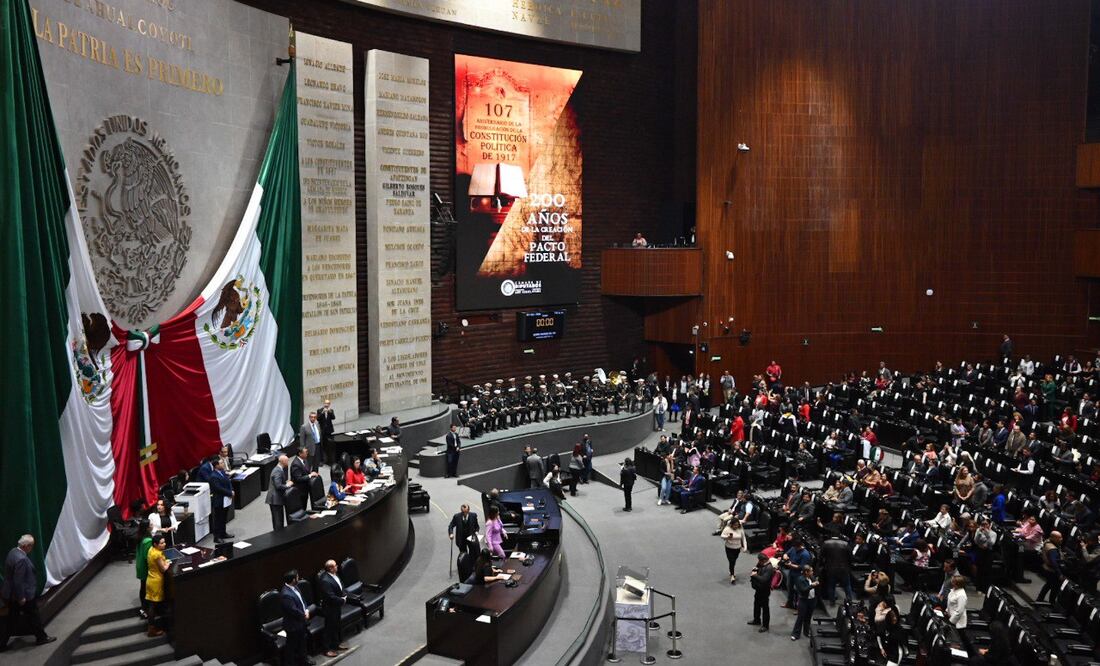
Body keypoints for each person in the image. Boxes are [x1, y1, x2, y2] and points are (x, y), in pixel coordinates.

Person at [0, 535, 55, 652]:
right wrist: (21, 597)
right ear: (26, 546)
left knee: (11, 620)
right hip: (22, 596)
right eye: (31, 546)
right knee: (34, 616)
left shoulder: (13, 552)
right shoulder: (22, 559)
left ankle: (1, 643)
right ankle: (42, 637)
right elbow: (18, 581)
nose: (31, 548)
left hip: (11, 594)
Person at [318, 559, 350, 657]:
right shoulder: (325, 580)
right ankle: (326, 649)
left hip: (337, 606)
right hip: (330, 608)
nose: (337, 566)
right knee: (329, 629)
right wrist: (342, 600)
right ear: (330, 568)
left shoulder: (335, 575)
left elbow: (341, 586)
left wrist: (344, 595)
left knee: (336, 626)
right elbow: (330, 596)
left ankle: (335, 645)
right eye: (335, 565)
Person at [144, 533, 171, 637]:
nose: (164, 544)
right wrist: (167, 563)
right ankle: (152, 629)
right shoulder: (157, 554)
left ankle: (152, 627)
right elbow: (163, 569)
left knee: (151, 604)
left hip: (150, 579)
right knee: (153, 606)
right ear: (155, 544)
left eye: (164, 542)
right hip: (157, 582)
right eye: (162, 543)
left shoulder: (151, 550)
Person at [280, 570, 309, 666]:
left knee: (302, 643)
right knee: (291, 647)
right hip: (293, 626)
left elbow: (302, 600)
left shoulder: (295, 587)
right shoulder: (286, 594)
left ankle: (304, 661)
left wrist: (306, 610)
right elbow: (293, 610)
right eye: (297, 577)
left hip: (301, 622)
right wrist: (304, 615)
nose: (298, 578)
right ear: (293, 579)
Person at [209, 458, 235, 542]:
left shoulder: (222, 472)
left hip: (226, 499)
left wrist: (231, 490)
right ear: (216, 465)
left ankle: (223, 533)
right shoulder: (213, 476)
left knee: (224, 518)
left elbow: (228, 481)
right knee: (218, 519)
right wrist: (229, 493)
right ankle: (217, 537)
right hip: (219, 500)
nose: (223, 464)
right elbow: (218, 488)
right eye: (221, 463)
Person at [747, 553, 774, 632]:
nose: (758, 562)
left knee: (765, 608)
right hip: (759, 589)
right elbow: (758, 568)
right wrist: (755, 569)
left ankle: (765, 625)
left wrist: (755, 575)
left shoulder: (769, 568)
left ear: (764, 560)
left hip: (765, 591)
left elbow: (764, 580)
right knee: (756, 605)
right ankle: (756, 619)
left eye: (760, 560)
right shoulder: (761, 563)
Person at [790, 565, 819, 641]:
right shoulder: (800, 579)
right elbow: (803, 590)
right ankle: (795, 634)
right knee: (800, 618)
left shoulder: (812, 577)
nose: (812, 572)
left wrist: (816, 583)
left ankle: (806, 632)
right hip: (804, 600)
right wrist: (811, 585)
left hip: (812, 600)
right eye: (811, 571)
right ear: (806, 572)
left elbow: (816, 584)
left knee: (808, 617)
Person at [264, 454, 291, 531]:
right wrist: (287, 485)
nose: (288, 462)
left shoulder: (279, 469)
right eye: (287, 461)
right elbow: (278, 486)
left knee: (279, 519)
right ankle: (278, 537)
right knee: (278, 521)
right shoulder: (277, 471)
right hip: (275, 500)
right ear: (283, 462)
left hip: (276, 499)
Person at [1036, 531, 1064, 603]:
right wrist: (1059, 573)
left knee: (1048, 585)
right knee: (1055, 587)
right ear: (1053, 538)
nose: (1061, 539)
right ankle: (1051, 602)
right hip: (1052, 570)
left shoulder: (1047, 542)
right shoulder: (1052, 549)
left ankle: (1039, 599)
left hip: (1046, 567)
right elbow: (1054, 562)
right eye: (1059, 538)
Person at [134, 521, 152, 620]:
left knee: (143, 587)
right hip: (146, 568)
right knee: (147, 589)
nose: (153, 525)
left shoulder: (140, 538)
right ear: (147, 528)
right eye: (151, 524)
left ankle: (143, 608)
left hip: (140, 566)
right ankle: (146, 610)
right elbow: (148, 557)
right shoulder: (148, 541)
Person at [721, 518, 744, 584]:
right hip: (729, 548)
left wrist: (744, 546)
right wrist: (727, 537)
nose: (736, 526)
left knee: (734, 560)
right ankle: (732, 576)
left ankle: (731, 570)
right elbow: (722, 536)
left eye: (737, 525)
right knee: (732, 560)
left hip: (737, 548)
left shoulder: (740, 529)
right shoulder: (727, 529)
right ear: (731, 525)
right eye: (735, 525)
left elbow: (743, 538)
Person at [317, 399, 336, 464]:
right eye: (325, 403)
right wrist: (322, 413)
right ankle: (323, 459)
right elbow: (318, 419)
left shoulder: (331, 410)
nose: (326, 405)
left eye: (328, 404)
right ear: (324, 404)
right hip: (322, 430)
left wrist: (330, 412)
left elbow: (333, 418)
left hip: (329, 430)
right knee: (323, 445)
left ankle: (330, 459)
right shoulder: (319, 410)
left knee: (329, 444)